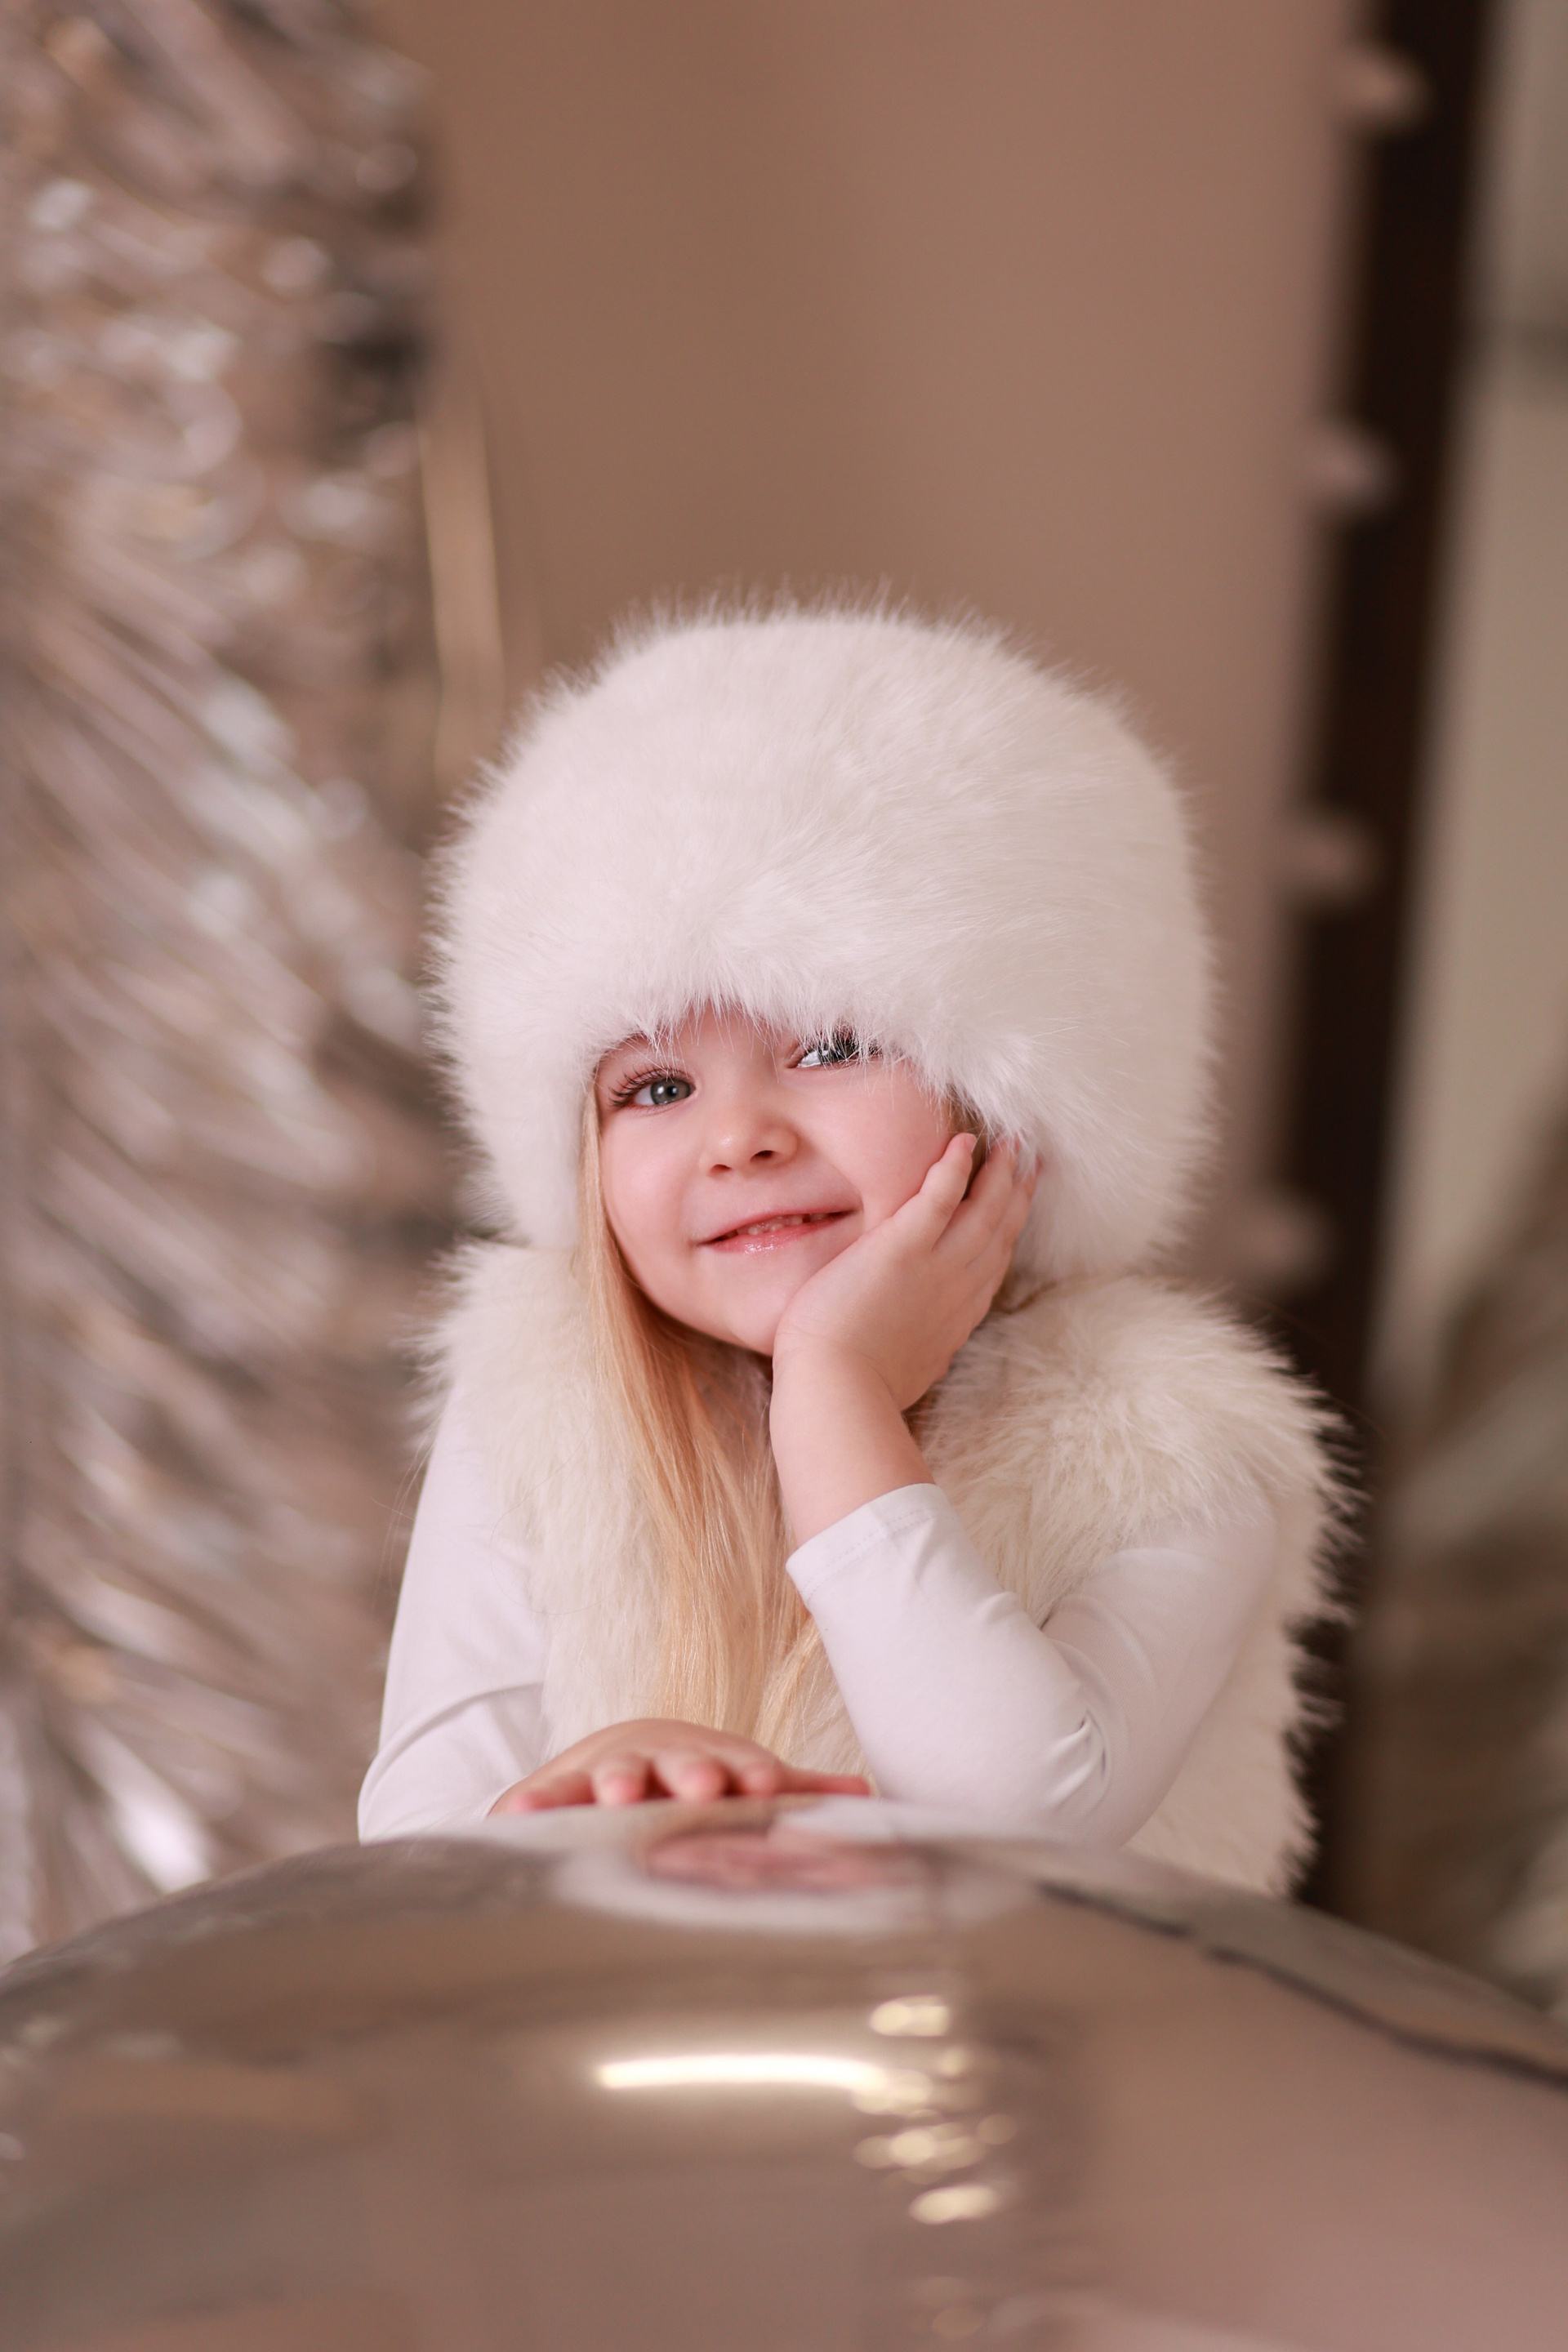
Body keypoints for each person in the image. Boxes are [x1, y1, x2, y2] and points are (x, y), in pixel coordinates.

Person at [359, 604, 1339, 1891]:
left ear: (1017, 1102)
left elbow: (1016, 1820)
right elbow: (414, 1852)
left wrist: (836, 1397)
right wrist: (583, 1792)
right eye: (657, 1088)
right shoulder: (545, 1399)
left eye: (831, 1046)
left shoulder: (1167, 1447)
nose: (738, 1139)